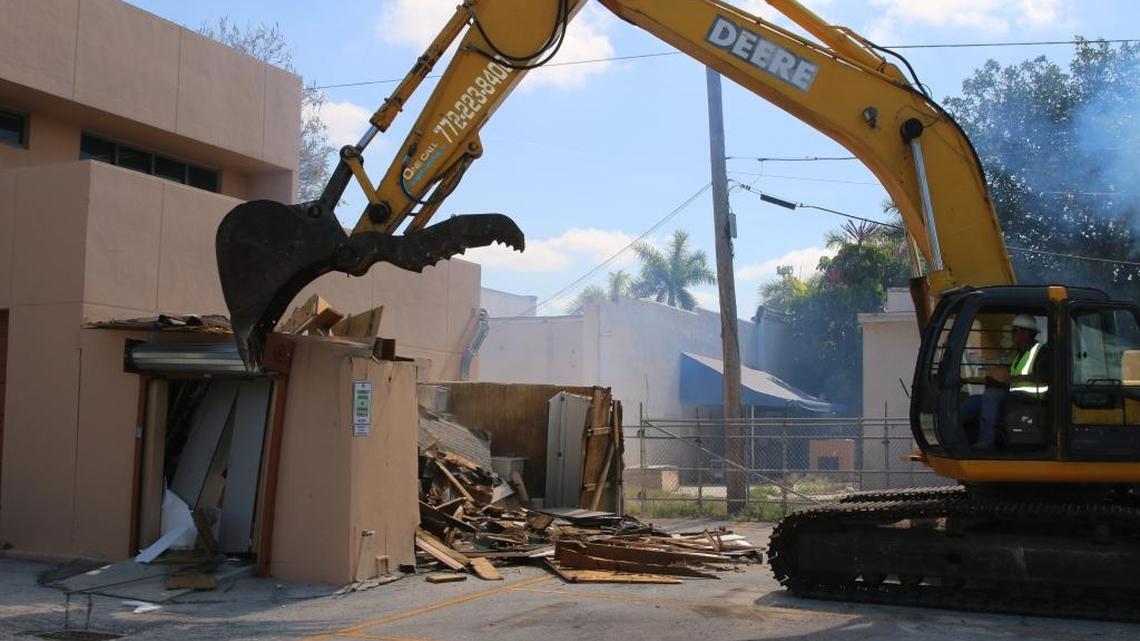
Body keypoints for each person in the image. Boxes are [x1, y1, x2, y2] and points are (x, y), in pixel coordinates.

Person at [960, 314, 1049, 450]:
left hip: (1030, 399)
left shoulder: (1041, 352)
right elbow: (1012, 377)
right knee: (972, 402)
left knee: (991, 395)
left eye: (1014, 331)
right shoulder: (1021, 353)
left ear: (1025, 333)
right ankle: (953, 435)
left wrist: (1012, 378)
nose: (1012, 335)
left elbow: (1044, 377)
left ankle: (987, 441)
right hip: (1015, 397)